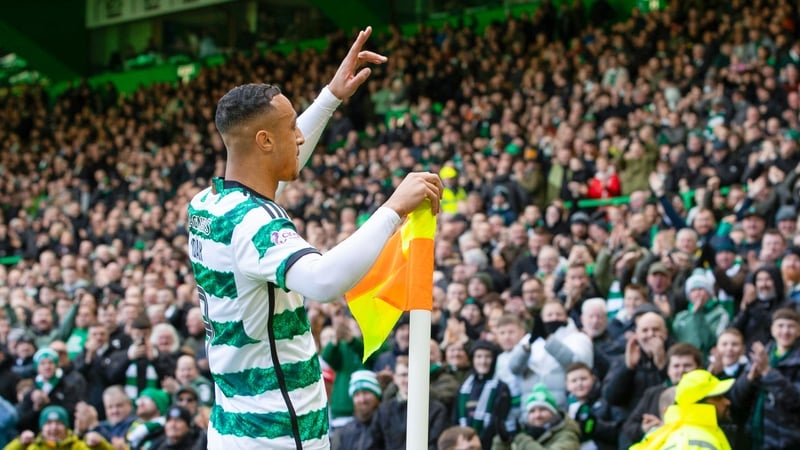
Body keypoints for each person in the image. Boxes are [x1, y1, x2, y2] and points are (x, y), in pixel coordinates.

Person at [186, 26, 442, 450]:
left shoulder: (208, 204)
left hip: (234, 426)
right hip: (278, 436)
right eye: (291, 127)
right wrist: (393, 209)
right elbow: (323, 281)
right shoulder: (254, 224)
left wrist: (331, 97)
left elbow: (271, 174)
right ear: (264, 141)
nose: (300, 136)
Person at [490, 383, 580, 450]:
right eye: (532, 411)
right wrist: (502, 441)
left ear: (554, 413)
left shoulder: (568, 435)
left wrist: (520, 438)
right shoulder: (526, 433)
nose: (537, 415)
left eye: (543, 409)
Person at [4, 405, 114, 450]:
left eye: (59, 423)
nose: (53, 428)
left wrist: (100, 445)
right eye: (48, 423)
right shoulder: (33, 448)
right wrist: (19, 443)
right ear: (42, 428)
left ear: (66, 427)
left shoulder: (78, 447)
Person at [330, 369, 381, 450]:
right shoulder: (343, 433)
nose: (362, 400)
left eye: (366, 392)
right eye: (357, 395)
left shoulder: (386, 427)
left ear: (377, 396)